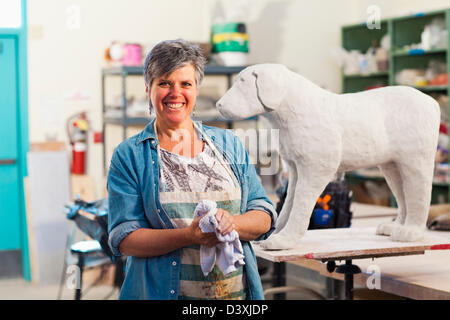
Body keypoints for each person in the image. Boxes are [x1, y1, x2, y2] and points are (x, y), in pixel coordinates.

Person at [107, 39, 277, 300]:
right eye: (164, 83)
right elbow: (125, 238)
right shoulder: (130, 155)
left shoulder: (228, 144)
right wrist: (189, 235)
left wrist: (233, 223)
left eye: (185, 84)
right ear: (148, 90)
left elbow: (263, 213)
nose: (175, 93)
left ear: (196, 89)